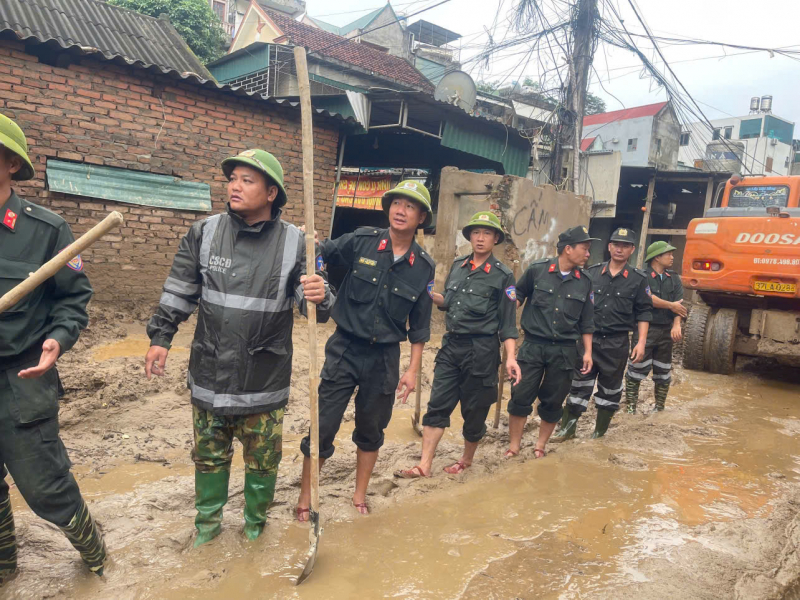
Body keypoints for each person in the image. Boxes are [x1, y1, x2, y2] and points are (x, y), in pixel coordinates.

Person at [145, 149, 332, 547]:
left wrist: (318, 293)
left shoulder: (297, 243)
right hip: (210, 368)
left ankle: (254, 527)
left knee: (263, 461)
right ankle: (207, 527)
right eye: (233, 178)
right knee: (208, 455)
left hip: (263, 375)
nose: (234, 185)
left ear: (270, 193)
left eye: (247, 180)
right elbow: (180, 290)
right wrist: (161, 337)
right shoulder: (205, 232)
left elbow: (310, 302)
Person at [0, 113, 106, 582]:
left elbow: (74, 296)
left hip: (22, 379)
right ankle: (5, 568)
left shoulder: (45, 229)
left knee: (46, 487)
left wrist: (56, 340)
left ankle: (98, 560)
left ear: (8, 163)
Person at [297, 180, 435, 518]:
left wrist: (413, 369)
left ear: (421, 218)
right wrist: (312, 255)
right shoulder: (362, 241)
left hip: (384, 359)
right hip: (344, 347)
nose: (400, 210)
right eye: (396, 203)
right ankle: (305, 498)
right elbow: (320, 253)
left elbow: (419, 325)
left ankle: (359, 496)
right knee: (324, 425)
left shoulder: (424, 267)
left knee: (371, 430)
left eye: (409, 206)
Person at [394, 212, 521, 479]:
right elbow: (448, 300)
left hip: (482, 351)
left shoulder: (503, 275)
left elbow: (508, 324)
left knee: (474, 412)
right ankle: (424, 465)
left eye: (487, 233)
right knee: (438, 403)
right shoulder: (459, 265)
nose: (480, 238)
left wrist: (510, 357)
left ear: (495, 238)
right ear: (470, 237)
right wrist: (426, 295)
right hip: (451, 347)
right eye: (476, 233)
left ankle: (466, 458)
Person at [505, 226, 597, 459]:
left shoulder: (585, 281)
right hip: (533, 346)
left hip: (565, 350)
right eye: (584, 249)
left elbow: (587, 321)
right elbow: (519, 294)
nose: (588, 254)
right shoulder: (538, 270)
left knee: (554, 400)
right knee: (520, 396)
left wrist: (588, 352)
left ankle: (540, 446)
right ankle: (514, 446)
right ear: (568, 249)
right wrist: (508, 315)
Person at [552, 227, 652, 441]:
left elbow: (644, 312)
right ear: (609, 247)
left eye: (625, 246)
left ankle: (599, 434)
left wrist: (641, 342)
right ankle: (567, 429)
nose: (619, 249)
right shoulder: (591, 273)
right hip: (589, 341)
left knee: (610, 390)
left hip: (616, 344)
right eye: (616, 244)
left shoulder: (638, 279)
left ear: (632, 250)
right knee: (579, 385)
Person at [625, 241, 685, 413]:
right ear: (657, 257)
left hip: (666, 331)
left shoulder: (673, 278)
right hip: (646, 329)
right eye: (669, 254)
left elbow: (679, 305)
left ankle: (659, 408)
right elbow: (648, 298)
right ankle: (630, 408)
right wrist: (670, 305)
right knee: (636, 369)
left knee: (663, 372)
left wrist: (676, 325)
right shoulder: (642, 277)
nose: (672, 257)